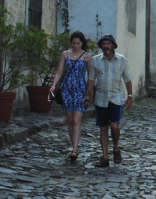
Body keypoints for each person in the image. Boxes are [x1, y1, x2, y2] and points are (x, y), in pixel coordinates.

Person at [86, 34, 133, 167]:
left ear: (113, 45)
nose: (105, 46)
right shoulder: (96, 60)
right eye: (103, 44)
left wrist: (129, 96)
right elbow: (91, 79)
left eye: (108, 43)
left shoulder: (122, 60)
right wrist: (88, 95)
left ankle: (116, 148)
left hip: (116, 97)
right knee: (103, 128)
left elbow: (128, 79)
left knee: (115, 126)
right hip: (101, 98)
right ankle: (105, 157)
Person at [49, 31, 93, 161]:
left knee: (76, 120)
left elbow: (91, 76)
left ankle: (75, 149)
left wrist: (89, 93)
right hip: (67, 88)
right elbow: (59, 72)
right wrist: (53, 85)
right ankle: (73, 145)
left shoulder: (87, 56)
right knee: (69, 120)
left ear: (82, 43)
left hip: (80, 89)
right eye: (73, 43)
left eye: (78, 43)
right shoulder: (65, 54)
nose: (75, 45)